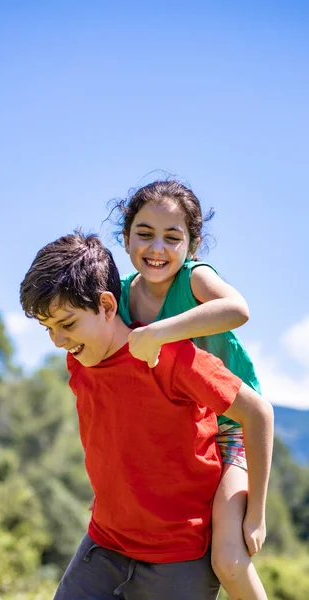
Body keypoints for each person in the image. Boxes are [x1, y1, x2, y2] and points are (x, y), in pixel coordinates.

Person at [20, 231, 273, 600]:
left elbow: (258, 413)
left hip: (179, 557)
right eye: (49, 328)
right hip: (104, 544)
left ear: (107, 306)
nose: (58, 341)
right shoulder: (78, 362)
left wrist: (256, 514)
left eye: (68, 324)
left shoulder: (170, 357)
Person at [109, 178, 268, 599]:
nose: (156, 248)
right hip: (179, 434)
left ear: (191, 247)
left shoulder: (195, 279)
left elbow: (237, 309)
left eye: (172, 237)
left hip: (231, 428)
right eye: (144, 234)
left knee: (229, 561)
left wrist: (257, 514)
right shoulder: (121, 296)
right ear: (125, 239)